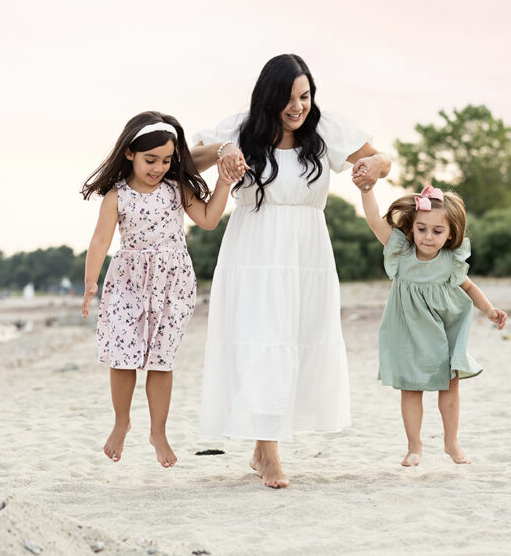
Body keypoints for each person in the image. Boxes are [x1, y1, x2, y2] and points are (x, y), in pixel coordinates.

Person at [192, 53, 390, 488]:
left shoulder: (325, 129)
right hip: (254, 252)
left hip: (307, 253)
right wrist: (225, 149)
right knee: (265, 340)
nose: (298, 106)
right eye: (288, 97)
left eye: (305, 95)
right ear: (268, 97)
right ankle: (268, 452)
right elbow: (188, 162)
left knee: (294, 341)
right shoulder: (240, 129)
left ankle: (264, 448)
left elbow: (381, 160)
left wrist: (376, 164)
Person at [81, 111, 237, 468]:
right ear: (130, 154)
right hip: (127, 283)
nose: (159, 168)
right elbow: (100, 240)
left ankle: (158, 431)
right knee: (122, 358)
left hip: (172, 283)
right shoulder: (115, 196)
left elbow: (209, 220)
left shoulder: (175, 189)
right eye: (151, 160)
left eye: (167, 160)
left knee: (160, 361)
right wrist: (91, 280)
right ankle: (121, 422)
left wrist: (224, 184)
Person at [359, 182, 508, 466]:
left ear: (451, 233)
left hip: (443, 330)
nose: (428, 237)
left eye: (437, 231)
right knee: (411, 389)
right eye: (421, 229)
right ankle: (414, 447)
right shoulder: (401, 252)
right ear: (412, 227)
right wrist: (366, 189)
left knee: (449, 387)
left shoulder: (451, 261)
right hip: (408, 331)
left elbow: (469, 287)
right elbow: (374, 219)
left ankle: (451, 442)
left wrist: (488, 309)